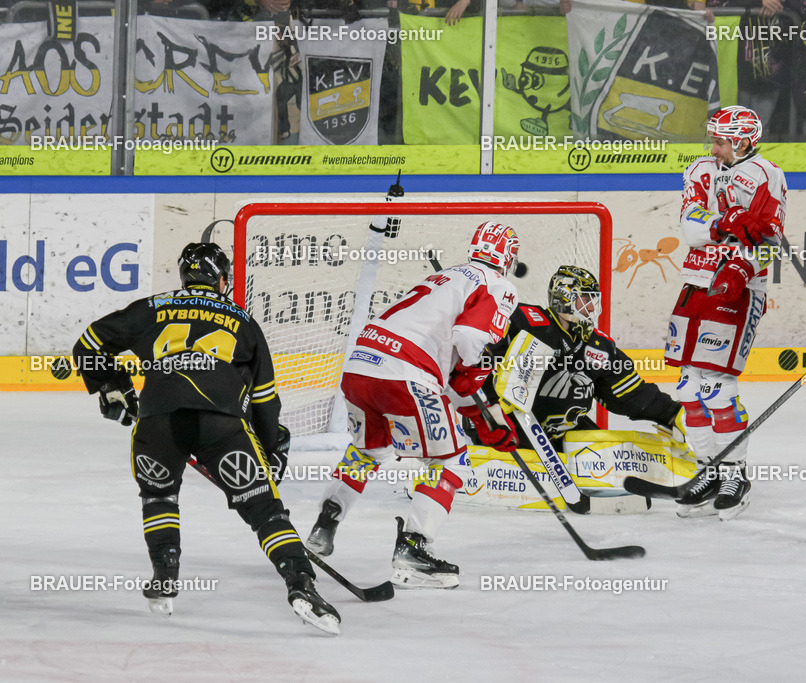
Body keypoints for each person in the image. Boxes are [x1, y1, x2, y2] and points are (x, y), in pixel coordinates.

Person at [72, 243, 340, 635]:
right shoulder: (243, 321)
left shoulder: (152, 307)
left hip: (157, 421)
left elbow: (89, 345)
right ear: (221, 280)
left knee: (159, 496)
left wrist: (114, 386)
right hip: (223, 426)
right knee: (265, 511)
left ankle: (165, 575)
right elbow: (265, 400)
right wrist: (270, 447)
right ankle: (302, 584)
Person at [306, 222, 520, 589]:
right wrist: (476, 372)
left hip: (361, 364)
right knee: (450, 458)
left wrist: (474, 405)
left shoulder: (447, 278)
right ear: (509, 257)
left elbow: (447, 371)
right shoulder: (497, 284)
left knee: (369, 451)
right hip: (404, 372)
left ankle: (325, 523)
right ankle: (414, 547)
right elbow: (468, 340)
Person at [664, 105, 787, 520]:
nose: (713, 147)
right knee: (687, 386)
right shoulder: (700, 168)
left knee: (717, 386)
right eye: (714, 139)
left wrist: (740, 266)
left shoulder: (768, 175)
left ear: (743, 141)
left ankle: (735, 473)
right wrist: (728, 222)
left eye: (720, 140)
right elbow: (691, 226)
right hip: (696, 279)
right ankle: (708, 470)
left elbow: (769, 237)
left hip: (738, 287)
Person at [480, 265, 688, 454]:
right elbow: (477, 356)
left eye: (592, 300)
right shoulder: (523, 320)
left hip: (561, 438)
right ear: (564, 298)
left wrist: (672, 413)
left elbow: (631, 395)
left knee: (606, 456)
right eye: (585, 299)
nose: (590, 308)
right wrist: (490, 409)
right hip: (506, 431)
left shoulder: (599, 346)